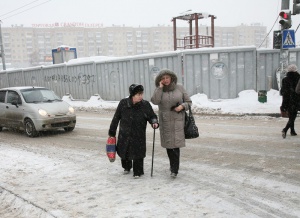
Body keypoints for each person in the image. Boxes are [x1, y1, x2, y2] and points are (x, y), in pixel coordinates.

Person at [108, 84, 159, 178]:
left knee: (138, 153)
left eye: (142, 94)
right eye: (138, 94)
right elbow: (116, 118)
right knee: (125, 151)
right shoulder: (123, 103)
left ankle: (138, 172)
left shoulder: (145, 105)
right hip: (125, 133)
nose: (141, 96)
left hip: (138, 134)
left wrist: (154, 122)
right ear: (132, 95)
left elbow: (152, 116)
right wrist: (112, 132)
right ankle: (127, 167)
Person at [151, 69, 192, 178]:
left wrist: (182, 106)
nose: (165, 80)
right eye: (163, 78)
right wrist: (160, 88)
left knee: (175, 145)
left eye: (167, 78)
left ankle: (174, 169)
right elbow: (154, 101)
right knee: (169, 145)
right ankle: (172, 165)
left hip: (178, 120)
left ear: (171, 78)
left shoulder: (180, 88)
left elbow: (189, 102)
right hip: (165, 121)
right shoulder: (159, 90)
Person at [280, 64, 300, 139]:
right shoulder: (298, 78)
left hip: (288, 99)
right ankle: (285, 129)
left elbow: (283, 92)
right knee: (293, 116)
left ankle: (292, 130)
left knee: (292, 115)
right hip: (296, 99)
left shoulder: (285, 79)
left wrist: (284, 103)